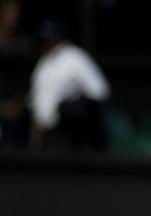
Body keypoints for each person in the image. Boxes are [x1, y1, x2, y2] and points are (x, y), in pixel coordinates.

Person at [28, 20, 110, 150]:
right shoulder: (43, 62)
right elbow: (37, 101)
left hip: (69, 135)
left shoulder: (75, 57)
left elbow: (100, 91)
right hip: (45, 134)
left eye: (49, 37)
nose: (46, 41)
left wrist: (74, 106)